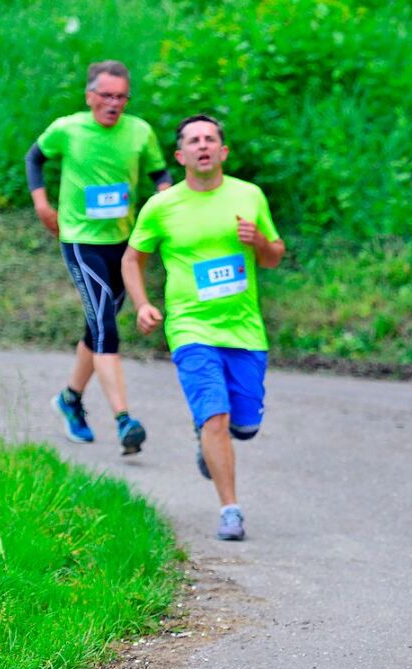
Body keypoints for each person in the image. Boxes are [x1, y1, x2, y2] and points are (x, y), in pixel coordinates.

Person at [121, 115, 285, 541]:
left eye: (210, 138)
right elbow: (132, 258)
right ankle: (230, 509)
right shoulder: (161, 206)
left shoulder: (249, 196)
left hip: (245, 331)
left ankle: (209, 444)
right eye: (193, 140)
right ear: (180, 155)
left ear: (223, 151)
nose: (203, 145)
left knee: (243, 425)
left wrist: (259, 243)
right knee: (215, 416)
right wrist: (142, 304)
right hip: (191, 328)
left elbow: (273, 256)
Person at [26, 59, 171, 454]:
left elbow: (160, 173)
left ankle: (69, 400)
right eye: (106, 96)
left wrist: (165, 193)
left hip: (124, 244)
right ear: (90, 97)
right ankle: (125, 420)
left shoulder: (140, 131)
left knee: (96, 328)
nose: (114, 103)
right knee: (106, 326)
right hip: (79, 239)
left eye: (121, 96)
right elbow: (34, 158)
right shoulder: (68, 129)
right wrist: (42, 205)